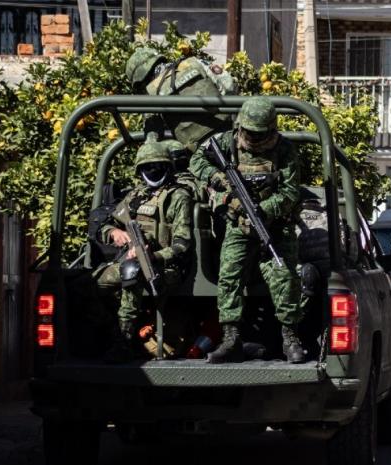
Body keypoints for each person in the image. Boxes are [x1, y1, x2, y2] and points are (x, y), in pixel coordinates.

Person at [189, 97, 306, 364]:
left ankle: (290, 338)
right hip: (238, 226)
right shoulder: (226, 142)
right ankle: (231, 338)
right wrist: (218, 179)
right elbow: (197, 161)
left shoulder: (285, 150)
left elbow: (290, 192)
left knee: (285, 277)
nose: (253, 138)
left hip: (275, 227)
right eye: (249, 132)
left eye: (259, 133)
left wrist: (264, 210)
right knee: (229, 277)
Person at [95, 139, 194, 362]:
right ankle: (107, 333)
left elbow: (182, 245)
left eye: (158, 166)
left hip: (166, 268)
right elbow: (105, 224)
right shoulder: (135, 195)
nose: (153, 171)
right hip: (131, 259)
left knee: (133, 271)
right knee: (87, 285)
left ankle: (123, 342)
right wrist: (115, 233)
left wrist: (153, 255)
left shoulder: (178, 197)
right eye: (148, 167)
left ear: (168, 167)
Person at [125, 46, 236, 152]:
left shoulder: (152, 92)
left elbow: (152, 138)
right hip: (230, 133)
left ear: (140, 80)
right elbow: (229, 85)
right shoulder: (194, 62)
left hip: (200, 152)